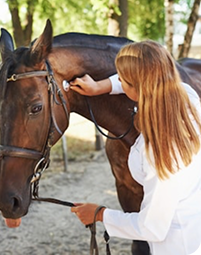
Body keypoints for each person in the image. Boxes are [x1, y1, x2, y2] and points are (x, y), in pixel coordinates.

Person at [69, 40, 201, 255]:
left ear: (139, 87)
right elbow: (147, 78)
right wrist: (100, 86)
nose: (117, 80)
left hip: (177, 246)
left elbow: (152, 227)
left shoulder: (161, 152)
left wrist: (100, 214)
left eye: (122, 78)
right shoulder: (188, 97)